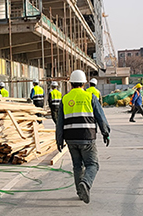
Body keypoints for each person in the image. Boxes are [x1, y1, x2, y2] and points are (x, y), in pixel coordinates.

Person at [56, 70, 110, 204]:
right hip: (87, 137)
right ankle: (85, 183)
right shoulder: (90, 97)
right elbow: (100, 117)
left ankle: (81, 193)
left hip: (70, 139)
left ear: (71, 84)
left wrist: (59, 139)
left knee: (77, 166)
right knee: (92, 165)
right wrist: (105, 132)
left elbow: (60, 122)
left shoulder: (65, 98)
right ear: (84, 83)